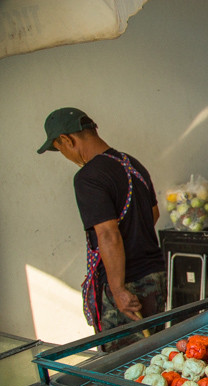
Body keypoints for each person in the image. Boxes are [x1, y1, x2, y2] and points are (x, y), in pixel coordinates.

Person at [38, 107, 167, 351]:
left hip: (127, 284)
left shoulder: (88, 177)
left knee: (124, 363)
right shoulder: (133, 164)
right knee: (153, 355)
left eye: (60, 148)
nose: (65, 155)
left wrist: (117, 289)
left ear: (67, 140)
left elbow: (108, 234)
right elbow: (153, 214)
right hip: (154, 278)